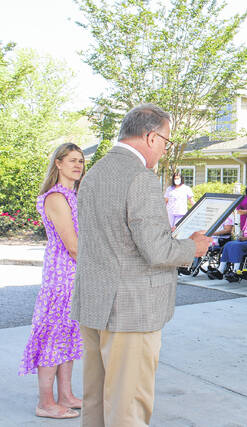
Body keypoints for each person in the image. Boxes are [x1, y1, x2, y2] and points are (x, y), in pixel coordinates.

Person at [71, 104, 212, 426]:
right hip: (131, 310)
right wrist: (195, 246)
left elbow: (114, 236)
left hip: (94, 301)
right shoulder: (141, 178)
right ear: (150, 136)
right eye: (166, 140)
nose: (165, 149)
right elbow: (158, 251)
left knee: (95, 400)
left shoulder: (95, 172)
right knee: (128, 406)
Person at [18, 143, 85, 420]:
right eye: (72, 160)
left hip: (74, 275)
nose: (78, 165)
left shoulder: (73, 195)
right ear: (58, 163)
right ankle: (46, 403)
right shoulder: (56, 197)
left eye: (81, 161)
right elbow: (72, 246)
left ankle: (66, 395)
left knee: (67, 337)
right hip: (62, 277)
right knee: (52, 339)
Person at [211, 200, 247, 282]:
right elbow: (244, 228)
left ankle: (236, 271)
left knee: (237, 246)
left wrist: (246, 239)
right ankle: (221, 270)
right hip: (244, 239)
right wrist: (241, 236)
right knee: (228, 244)